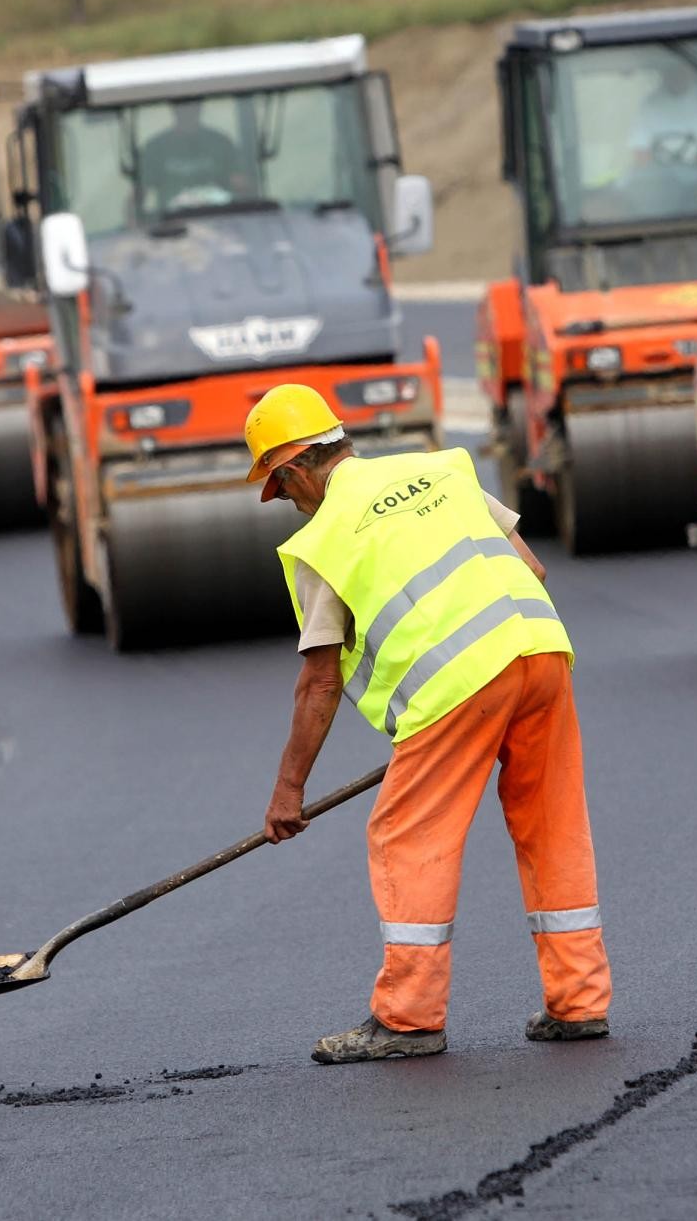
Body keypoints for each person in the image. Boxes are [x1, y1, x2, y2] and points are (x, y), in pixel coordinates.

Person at [244, 384, 613, 1065]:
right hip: (540, 648)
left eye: (280, 489)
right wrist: (508, 676)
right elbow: (528, 564)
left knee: (405, 834)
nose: (288, 505)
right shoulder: (438, 467)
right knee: (552, 822)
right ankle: (580, 1000)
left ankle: (408, 1018)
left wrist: (287, 791)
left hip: (458, 685)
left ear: (294, 469)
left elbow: (319, 683)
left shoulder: (322, 541)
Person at [139, 101, 249, 213]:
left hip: (219, 220)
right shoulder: (156, 147)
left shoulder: (221, 142)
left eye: (193, 105)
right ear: (174, 109)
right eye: (183, 106)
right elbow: (139, 194)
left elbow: (241, 185)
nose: (188, 111)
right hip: (174, 225)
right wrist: (135, 227)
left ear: (200, 107)